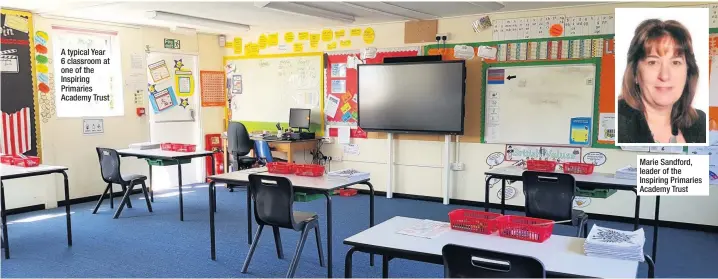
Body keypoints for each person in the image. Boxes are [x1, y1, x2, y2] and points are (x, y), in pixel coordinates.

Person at [617, 19, 706, 144]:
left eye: (675, 62)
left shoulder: (701, 123)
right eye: (653, 62)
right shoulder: (617, 124)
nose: (664, 76)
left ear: (687, 72)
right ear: (635, 73)